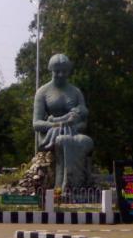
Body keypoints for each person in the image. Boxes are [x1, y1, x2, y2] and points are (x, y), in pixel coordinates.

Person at [33, 54, 94, 189]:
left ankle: (82, 184)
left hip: (73, 131)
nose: (61, 74)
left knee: (85, 141)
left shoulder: (76, 92)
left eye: (64, 71)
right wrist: (57, 124)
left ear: (69, 71)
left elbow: (84, 120)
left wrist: (75, 125)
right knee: (63, 140)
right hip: (50, 135)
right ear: (51, 70)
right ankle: (63, 186)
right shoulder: (42, 92)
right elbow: (36, 124)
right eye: (57, 71)